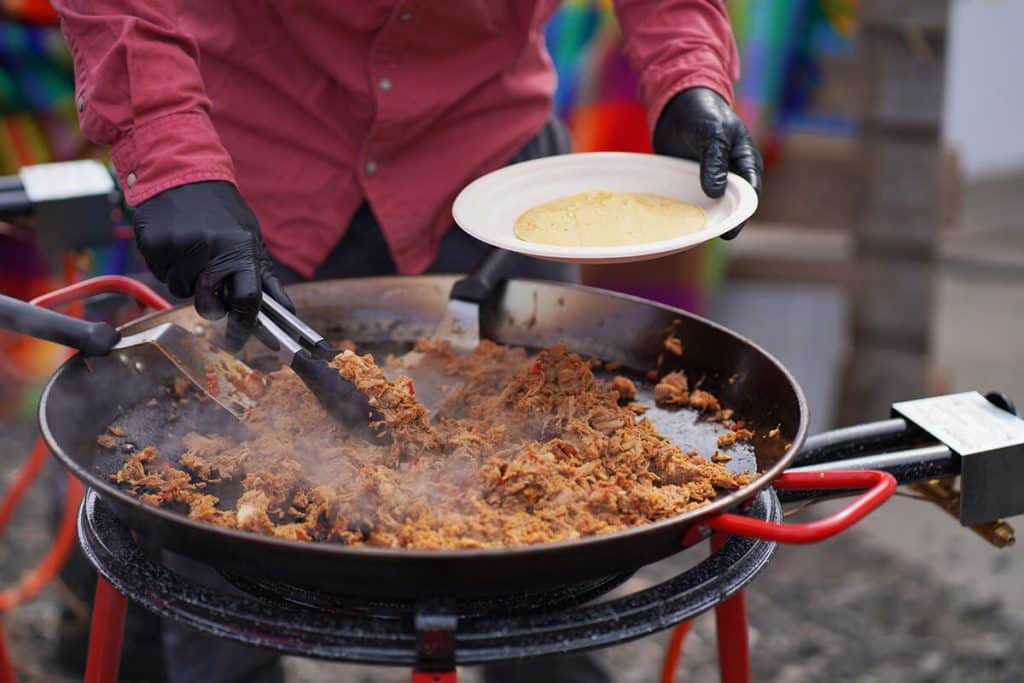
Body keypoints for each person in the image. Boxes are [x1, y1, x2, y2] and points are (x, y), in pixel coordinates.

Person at [51, 2, 762, 682]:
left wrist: (688, 78)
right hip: (255, 164)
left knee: (561, 562)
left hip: (491, 173)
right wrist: (169, 155)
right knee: (200, 523)